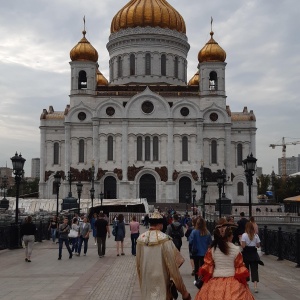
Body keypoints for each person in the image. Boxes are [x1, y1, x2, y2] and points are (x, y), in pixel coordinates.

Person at [136, 210, 191, 300]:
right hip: (162, 281)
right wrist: (183, 292)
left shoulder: (140, 239)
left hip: (147, 280)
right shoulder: (165, 240)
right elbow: (173, 267)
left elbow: (138, 265)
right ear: (160, 225)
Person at [195, 223, 254, 300]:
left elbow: (208, 268)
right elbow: (239, 268)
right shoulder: (236, 249)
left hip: (215, 280)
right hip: (233, 281)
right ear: (229, 237)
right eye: (231, 235)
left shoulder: (212, 250)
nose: (233, 236)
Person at [189, 217, 212, 282]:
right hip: (204, 252)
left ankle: (196, 279)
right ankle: (202, 279)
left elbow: (190, 241)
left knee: (196, 267)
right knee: (203, 266)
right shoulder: (207, 232)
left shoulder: (194, 232)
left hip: (196, 252)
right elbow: (210, 243)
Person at [241, 222, 262, 293]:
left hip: (246, 253)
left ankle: (246, 284)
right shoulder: (256, 235)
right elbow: (258, 245)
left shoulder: (244, 235)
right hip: (254, 254)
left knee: (246, 269)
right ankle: (255, 287)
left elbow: (243, 246)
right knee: (254, 270)